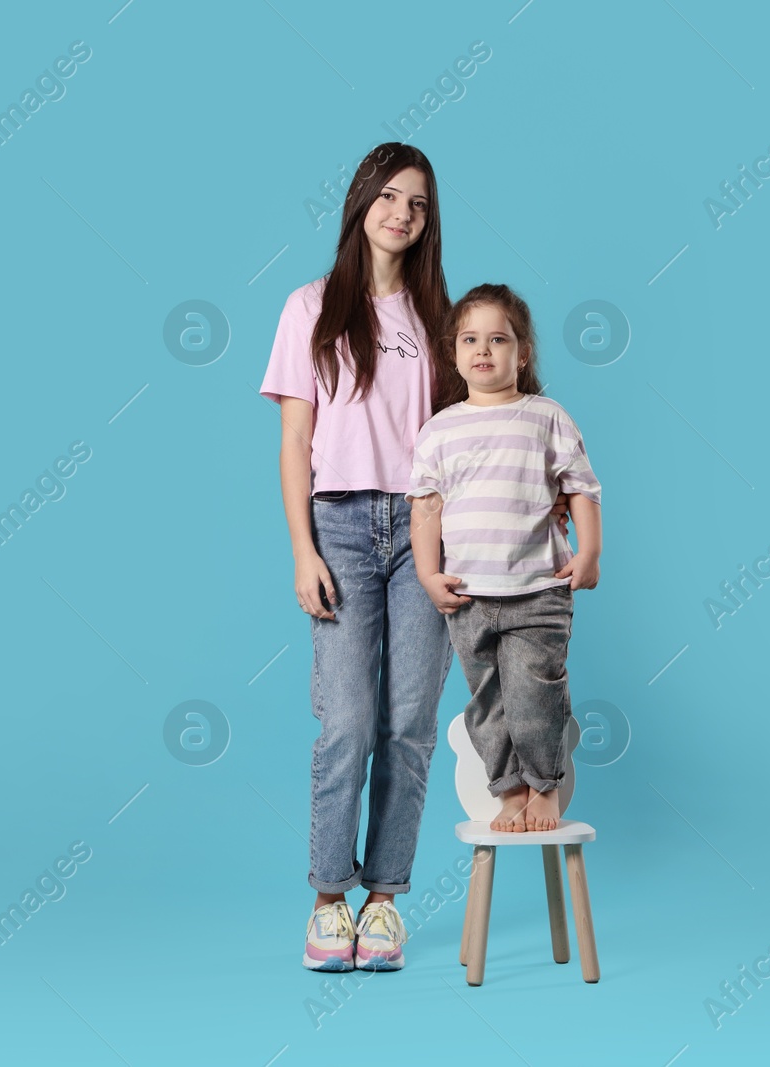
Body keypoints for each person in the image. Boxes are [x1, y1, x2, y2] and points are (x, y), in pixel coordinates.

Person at [261, 145, 572, 972]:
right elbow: (296, 441)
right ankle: (330, 898)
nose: (402, 213)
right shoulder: (311, 307)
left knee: (407, 725)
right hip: (341, 524)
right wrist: (302, 549)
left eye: (420, 204)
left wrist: (548, 512)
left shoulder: (439, 317)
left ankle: (384, 900)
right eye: (390, 196)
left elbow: (489, 426)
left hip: (432, 530)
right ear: (362, 199)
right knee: (349, 722)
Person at [406, 283, 603, 834]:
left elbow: (583, 487)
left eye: (498, 339)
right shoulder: (439, 429)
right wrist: (427, 573)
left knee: (534, 693)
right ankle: (508, 787)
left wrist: (589, 554)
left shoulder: (546, 416)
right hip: (468, 596)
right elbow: (426, 505)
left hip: (538, 590)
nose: (484, 350)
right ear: (453, 352)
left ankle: (544, 784)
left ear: (524, 352)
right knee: (486, 702)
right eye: (470, 339)